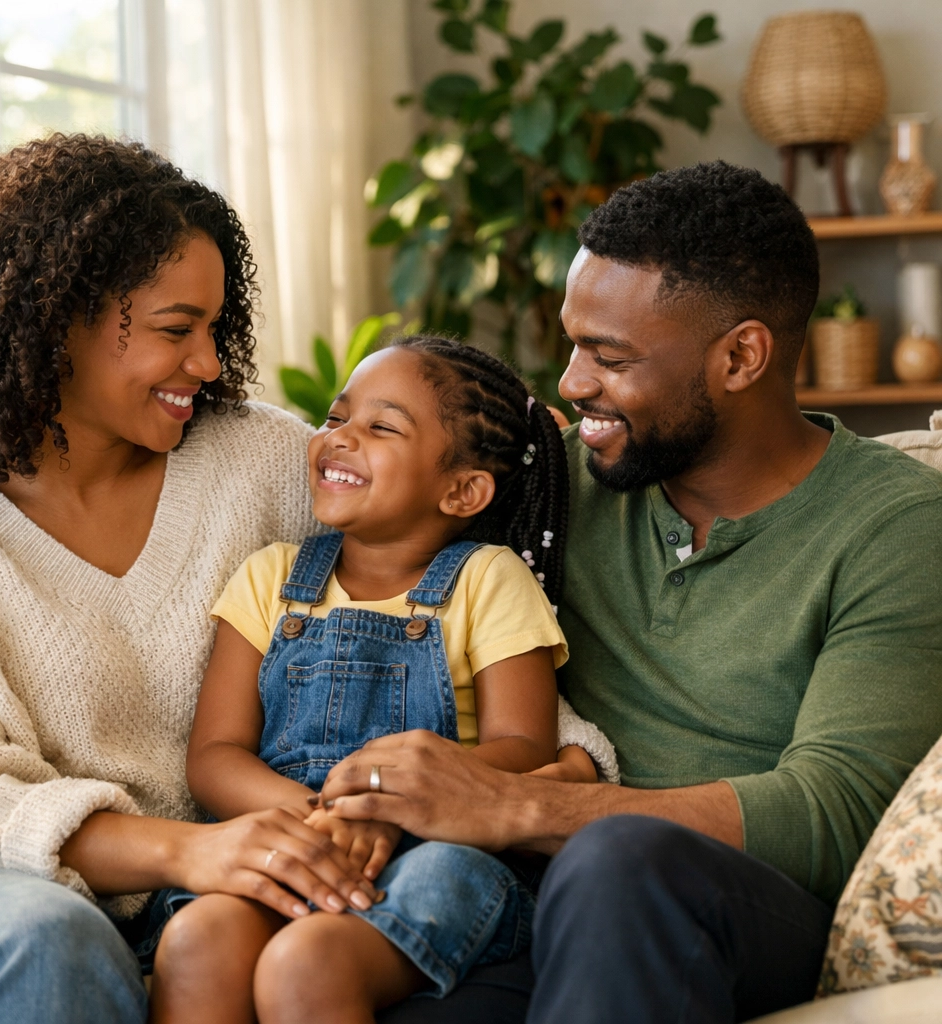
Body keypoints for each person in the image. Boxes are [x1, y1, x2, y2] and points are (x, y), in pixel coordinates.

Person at [315, 163, 942, 1023]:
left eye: (609, 357)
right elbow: (369, 501)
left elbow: (833, 811)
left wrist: (515, 804)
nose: (571, 384)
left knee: (622, 861)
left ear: (741, 356)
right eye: (575, 344)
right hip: (537, 908)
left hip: (734, 911)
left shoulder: (898, 526)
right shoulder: (553, 488)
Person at [0, 134, 384, 1024]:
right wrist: (188, 853)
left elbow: (418, 603)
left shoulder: (264, 462)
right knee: (47, 936)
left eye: (216, 328)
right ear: (53, 316)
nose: (209, 365)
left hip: (222, 904)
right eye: (176, 330)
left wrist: (544, 763)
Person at [150, 336, 606, 1023]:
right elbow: (214, 756)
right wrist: (317, 826)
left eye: (380, 426)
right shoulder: (269, 577)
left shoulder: (487, 580)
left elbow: (524, 749)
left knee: (307, 962)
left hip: (437, 853)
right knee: (196, 940)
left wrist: (395, 809)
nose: (340, 438)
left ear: (463, 489)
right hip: (288, 834)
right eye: (336, 419)